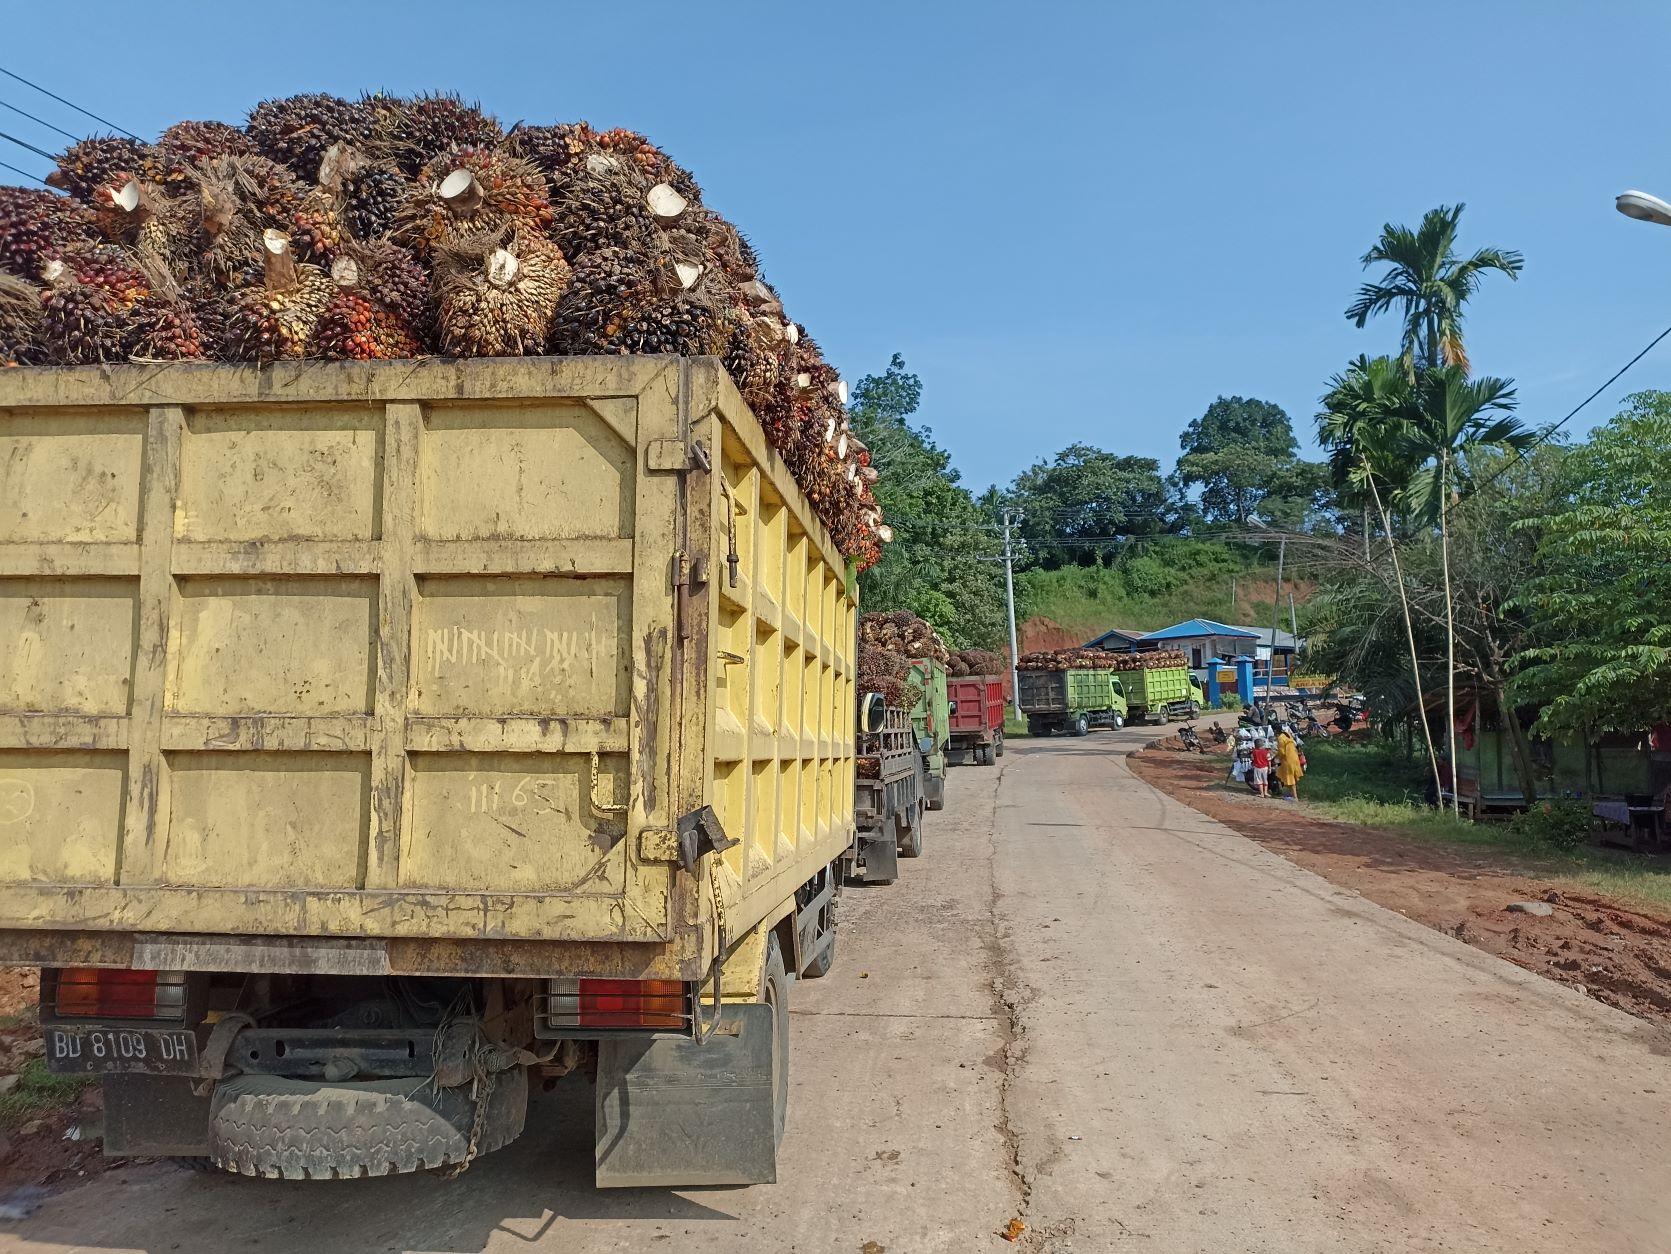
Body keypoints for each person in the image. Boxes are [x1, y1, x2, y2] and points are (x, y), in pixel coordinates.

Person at [1276, 727, 1305, 801]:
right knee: (1292, 777)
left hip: (1288, 760)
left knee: (1290, 777)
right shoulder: (1288, 735)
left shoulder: (1280, 738)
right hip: (1295, 758)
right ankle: (1291, 793)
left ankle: (1295, 797)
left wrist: (1277, 758)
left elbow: (1282, 752)